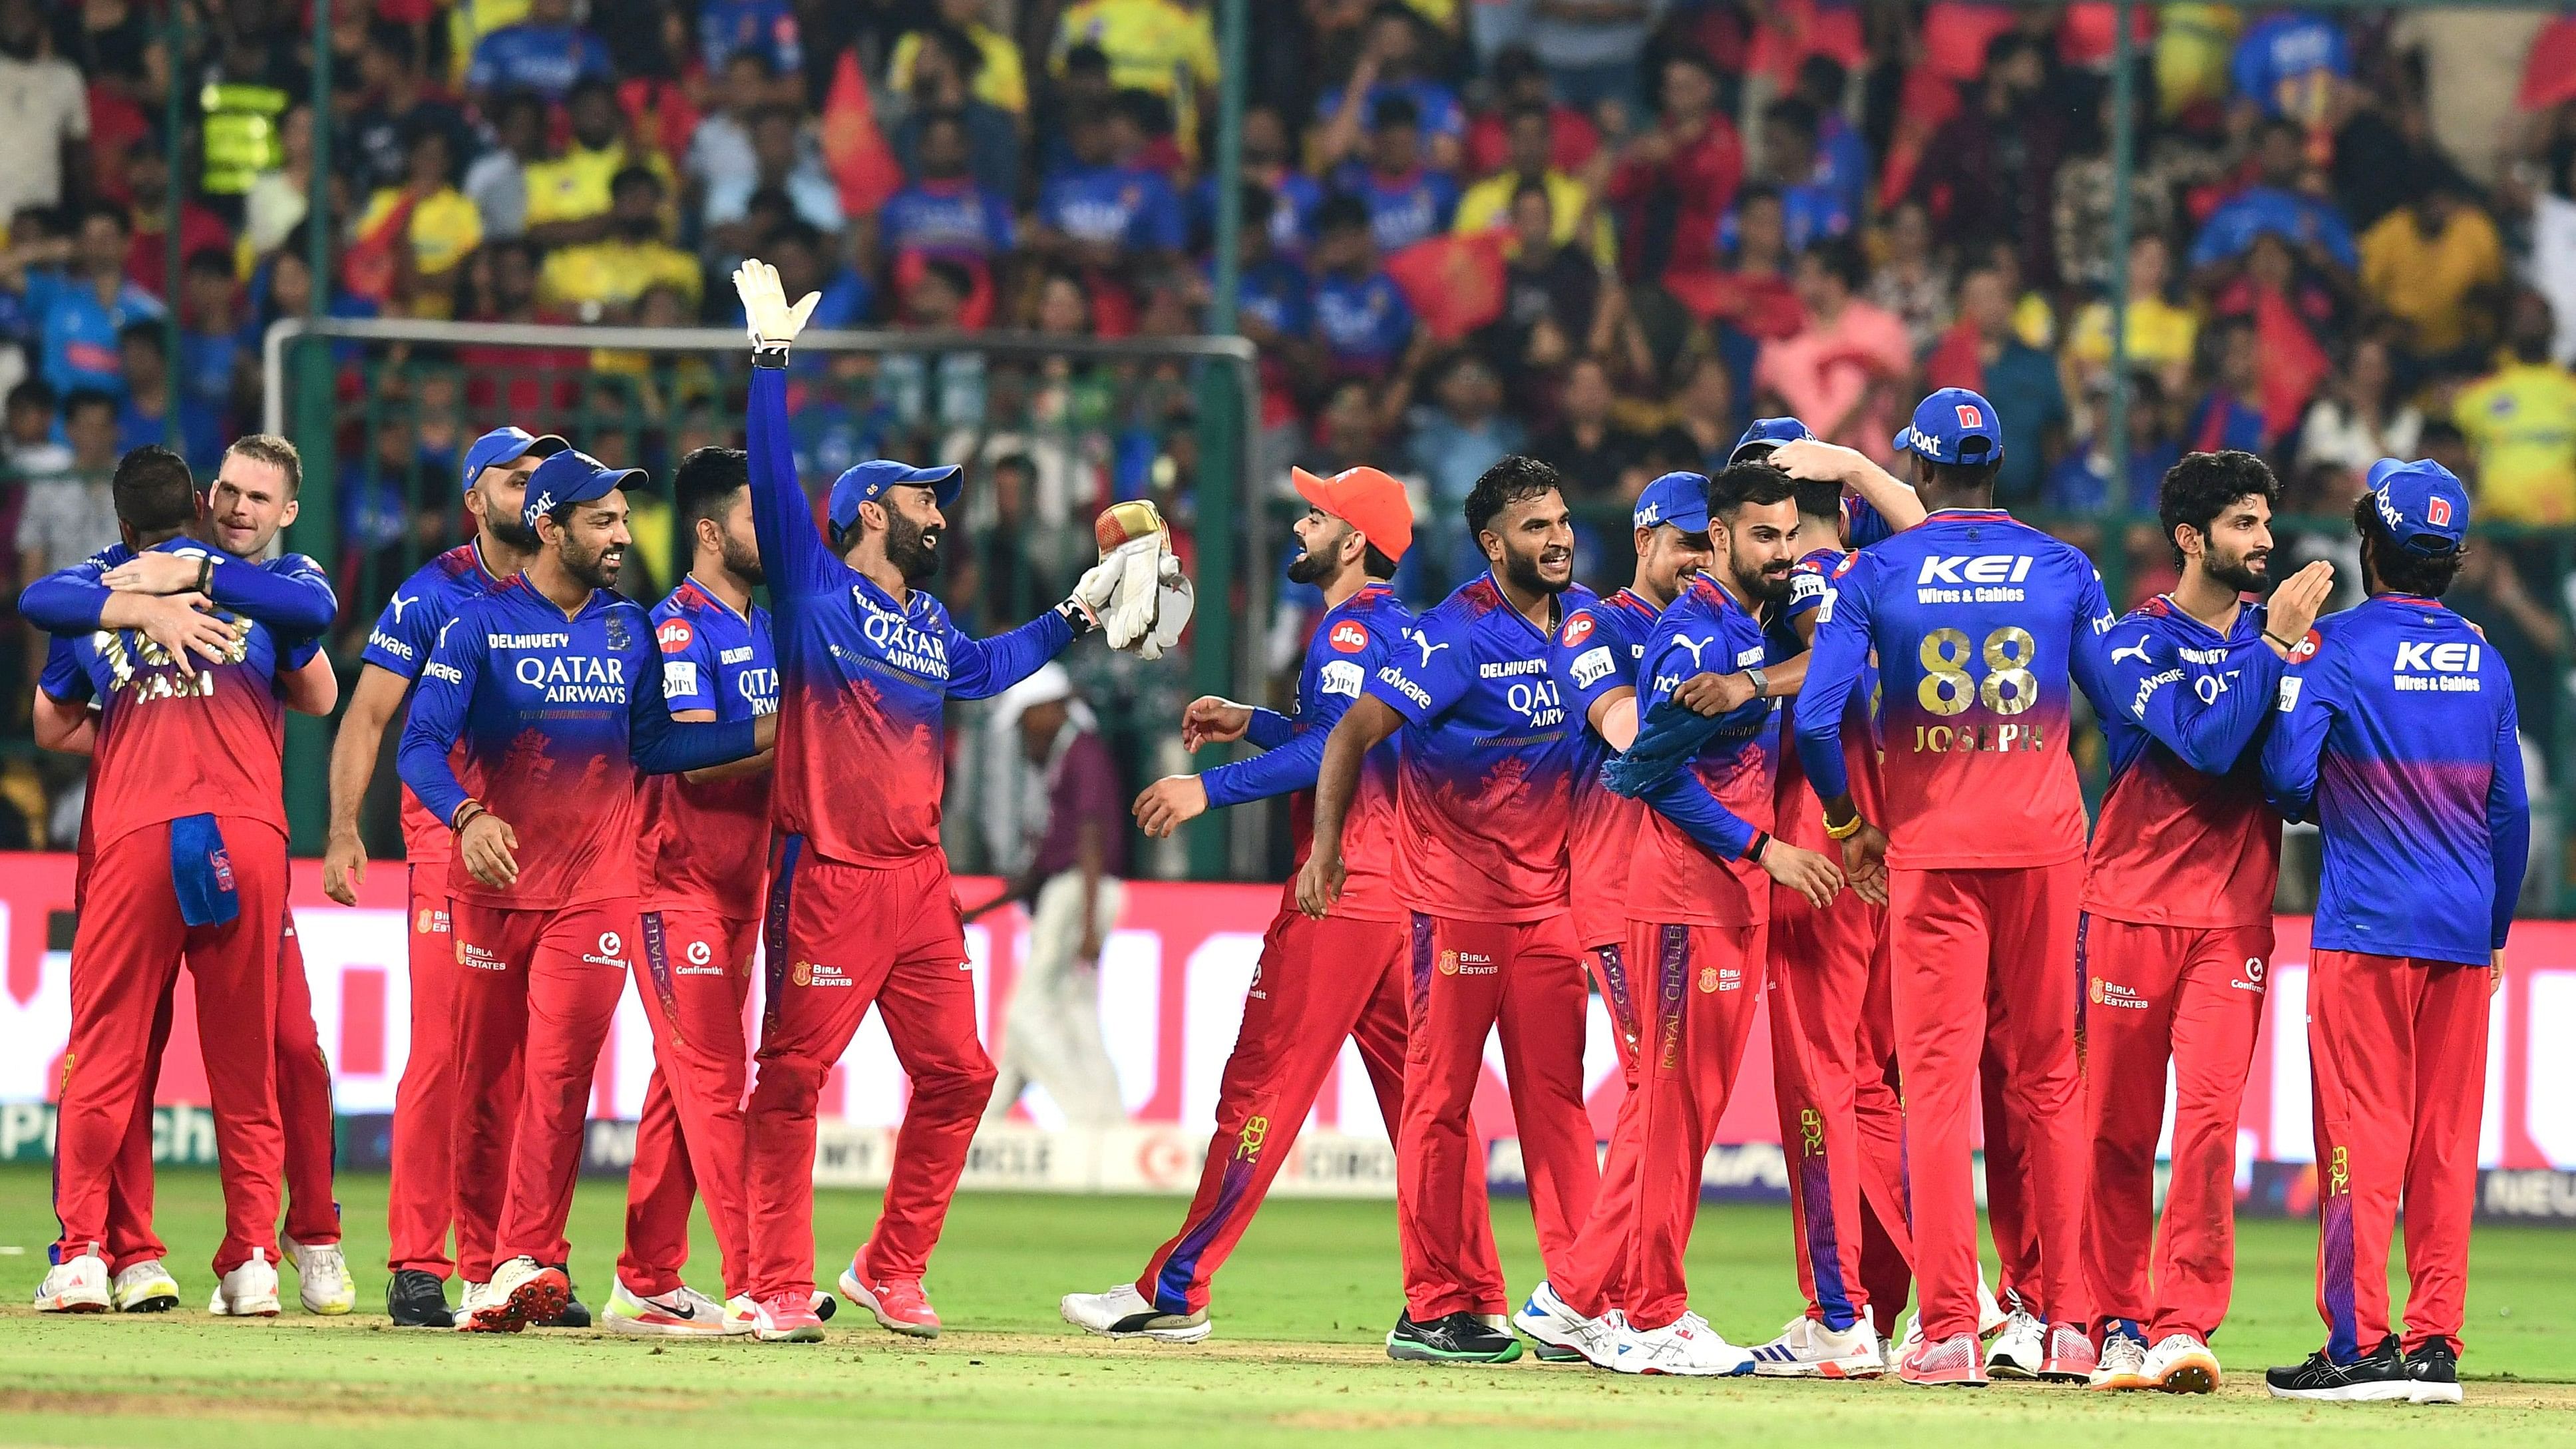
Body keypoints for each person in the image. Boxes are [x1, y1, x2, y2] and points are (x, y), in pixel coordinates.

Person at [727, 259, 1135, 1343]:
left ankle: (887, 1267)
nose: (936, 515)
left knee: (960, 1073)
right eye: (921, 499)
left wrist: (1077, 613)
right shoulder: (816, 591)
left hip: (917, 882)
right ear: (870, 511)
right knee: (794, 1079)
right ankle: (774, 1282)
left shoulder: (927, 626)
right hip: (827, 872)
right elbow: (772, 487)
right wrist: (769, 368)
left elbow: (991, 669)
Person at [397, 447, 775, 1335]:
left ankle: (530, 1256)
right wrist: (465, 817)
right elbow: (417, 746)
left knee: (561, 1082)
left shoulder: (627, 628)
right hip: (491, 885)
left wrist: (770, 724)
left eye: (622, 519)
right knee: (487, 1084)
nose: (620, 534)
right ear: (549, 525)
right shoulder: (478, 626)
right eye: (601, 520)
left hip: (599, 893)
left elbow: (659, 749)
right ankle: (487, 1260)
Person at [1788, 388, 2119, 1386]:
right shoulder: (2065, 566)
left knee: (1931, 1091)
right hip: (2045, 845)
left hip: (1928, 850)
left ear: (1921, 472)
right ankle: (2067, 1324)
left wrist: (1848, 829)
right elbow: (2116, 702)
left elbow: (1813, 718)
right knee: (2051, 1084)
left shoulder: (1877, 570)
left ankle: (1946, 1333)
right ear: (1996, 467)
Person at [1059, 465, 1415, 1343]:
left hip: (1336, 893)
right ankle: (1458, 1295)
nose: (1298, 526)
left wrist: (1205, 791)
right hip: (1403, 894)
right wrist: (1251, 719)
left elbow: (1336, 747)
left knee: (1257, 1090)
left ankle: (1175, 1289)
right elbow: (1347, 741)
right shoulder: (1395, 630)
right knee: (1426, 1114)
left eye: (1315, 515)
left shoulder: (1343, 632)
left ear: (1354, 541)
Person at [1517, 461, 1843, 1376]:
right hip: (1658, 894)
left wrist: (1755, 680)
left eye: (1788, 536)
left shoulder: (1739, 630)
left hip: (1706, 897)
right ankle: (1643, 1313)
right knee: (1663, 1108)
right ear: (1686, 539)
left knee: (1674, 1108)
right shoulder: (1655, 630)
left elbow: (1836, 653)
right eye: (1752, 536)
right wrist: (1760, 846)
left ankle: (1575, 1294)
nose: (1777, 553)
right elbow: (1642, 762)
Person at [32, 437, 351, 1317]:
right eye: (231, 495)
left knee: (106, 1053)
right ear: (205, 500)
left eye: (260, 496)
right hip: (243, 834)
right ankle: (252, 1258)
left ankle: (88, 1253)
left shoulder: (102, 593)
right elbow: (321, 688)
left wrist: (134, 621)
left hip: (134, 834)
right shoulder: (272, 598)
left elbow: (50, 711)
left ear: (122, 519)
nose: (242, 509)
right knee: (248, 1059)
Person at [1298, 455, 1602, 1364]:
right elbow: (1352, 729)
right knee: (1437, 1104)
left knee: (1557, 1108)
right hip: (1458, 908)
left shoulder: (1581, 624)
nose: (1555, 540)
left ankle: (1581, 1303)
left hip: (1548, 909)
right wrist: (1326, 850)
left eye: (1560, 522)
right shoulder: (1454, 633)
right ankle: (1431, 1307)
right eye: (1535, 528)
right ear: (1490, 543)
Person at [2261, 459, 2528, 1406]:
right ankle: (2431, 1345)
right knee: (2443, 1142)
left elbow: (2288, 785)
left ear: (2367, 545)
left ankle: (2359, 1346)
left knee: (2356, 1135)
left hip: (2366, 930)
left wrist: (2285, 667)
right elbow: (2507, 814)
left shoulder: (2331, 648)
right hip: (2461, 933)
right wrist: (2492, 925)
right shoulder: (2482, 656)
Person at [2080, 451, 2334, 1394]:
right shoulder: (2129, 643)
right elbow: (2205, 738)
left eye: (2265, 522)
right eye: (2241, 524)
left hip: (2232, 922)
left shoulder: (2288, 645)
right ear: (2190, 538)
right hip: (2126, 909)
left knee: (2208, 1125)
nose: (2262, 541)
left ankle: (2178, 1322)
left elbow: (2287, 775)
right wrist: (2269, 650)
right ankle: (2110, 1317)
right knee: (2113, 1127)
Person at [322, 425, 567, 1329]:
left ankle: (501, 1265)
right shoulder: (432, 594)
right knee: (443, 1056)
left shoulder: (574, 590)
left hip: (551, 858)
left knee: (516, 1071)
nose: (534, 493)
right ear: (475, 498)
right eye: (515, 480)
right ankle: (417, 1263)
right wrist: (345, 828)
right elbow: (369, 714)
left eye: (545, 479)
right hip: (449, 848)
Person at [607, 447, 778, 1338]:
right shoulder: (673, 628)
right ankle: (757, 1278)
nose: (772, 533)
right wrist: (802, 731)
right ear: (709, 532)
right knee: (713, 1082)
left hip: (742, 885)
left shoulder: (772, 626)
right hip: (673, 885)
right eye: (756, 518)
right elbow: (699, 766)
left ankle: (644, 1278)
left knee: (680, 1085)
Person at [984, 664, 1128, 1127]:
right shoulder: (1071, 752)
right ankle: (982, 1130)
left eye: (1026, 717)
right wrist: (978, 909)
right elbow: (1045, 861)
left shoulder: (1080, 753)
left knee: (1027, 1012)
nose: (1025, 731)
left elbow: (1089, 838)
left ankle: (1088, 1123)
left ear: (1048, 707)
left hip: (1077, 892)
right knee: (1077, 1013)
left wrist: (1086, 922)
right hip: (1081, 889)